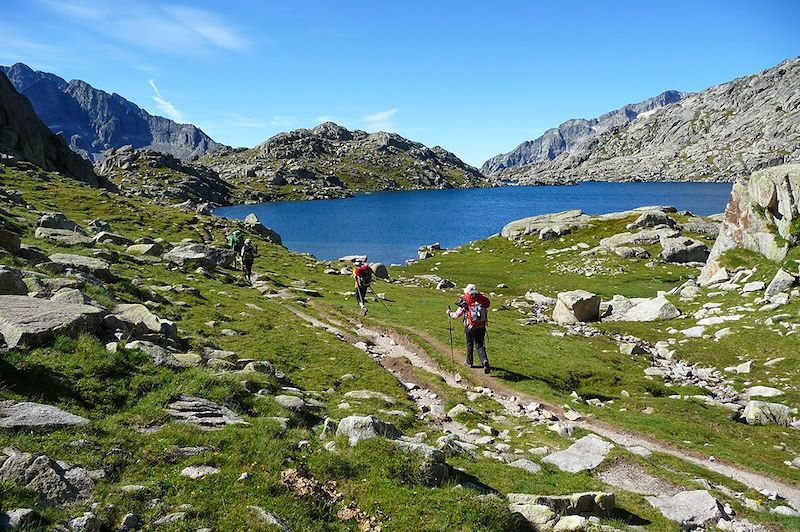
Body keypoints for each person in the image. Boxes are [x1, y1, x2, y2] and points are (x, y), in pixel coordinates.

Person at [446, 284, 491, 373]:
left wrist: (449, 313)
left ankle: (469, 362)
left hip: (470, 326)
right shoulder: (481, 298)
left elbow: (456, 315)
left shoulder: (465, 300)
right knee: (480, 344)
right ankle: (484, 361)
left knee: (469, 343)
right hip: (481, 326)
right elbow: (487, 305)